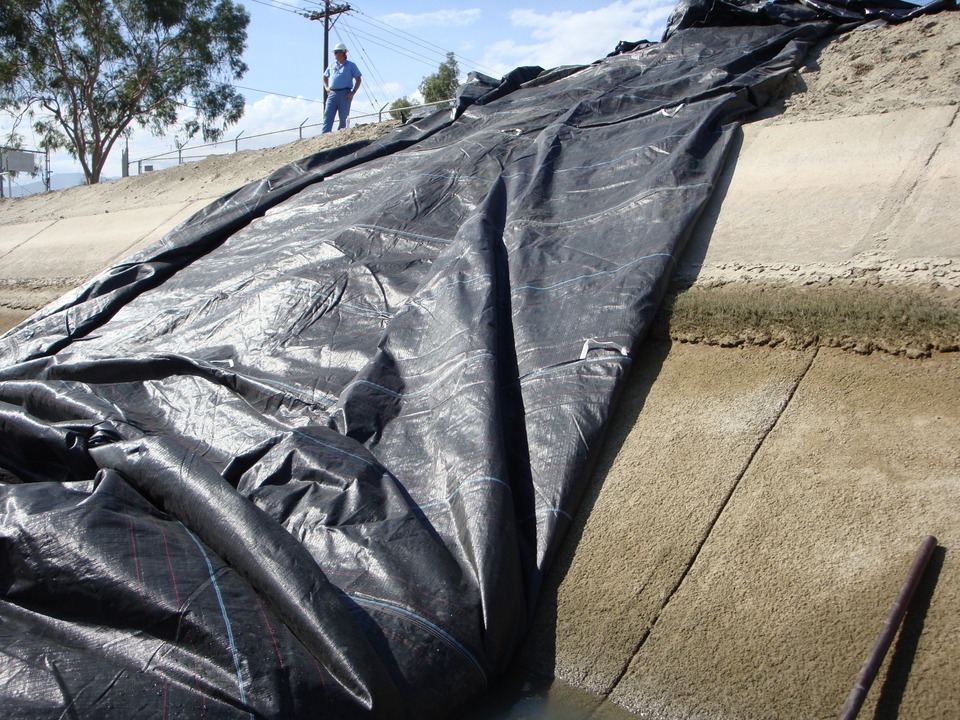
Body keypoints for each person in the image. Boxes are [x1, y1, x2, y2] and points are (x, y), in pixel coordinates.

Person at [322, 43, 362, 133]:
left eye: (336, 52)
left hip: (345, 93)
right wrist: (326, 87)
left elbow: (358, 79)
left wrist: (353, 92)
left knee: (343, 116)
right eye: (334, 52)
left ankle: (341, 133)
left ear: (343, 53)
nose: (335, 54)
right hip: (332, 93)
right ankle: (325, 134)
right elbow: (324, 76)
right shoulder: (332, 65)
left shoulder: (351, 65)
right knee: (328, 114)